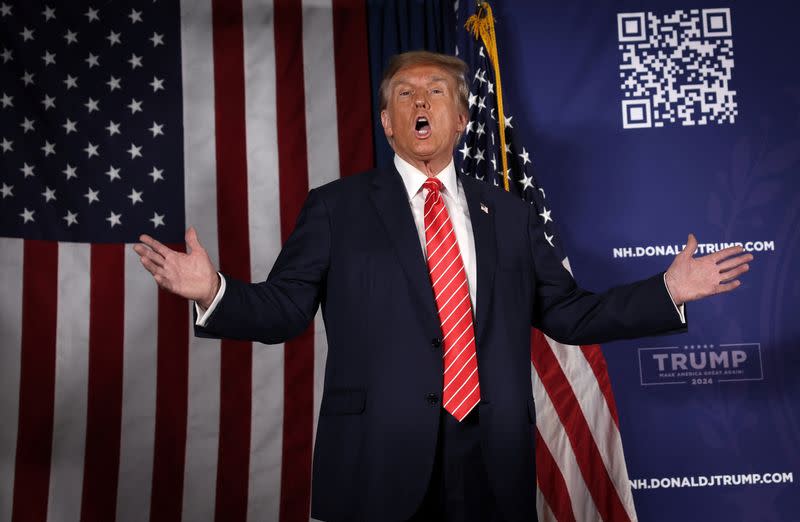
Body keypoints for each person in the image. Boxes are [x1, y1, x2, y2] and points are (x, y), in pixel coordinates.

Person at [134, 51, 752, 522]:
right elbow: (284, 309)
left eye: (434, 92)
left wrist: (666, 290)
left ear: (460, 118)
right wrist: (212, 288)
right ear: (386, 122)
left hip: (492, 465)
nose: (418, 102)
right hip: (378, 460)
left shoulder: (509, 216)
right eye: (403, 94)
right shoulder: (336, 209)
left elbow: (569, 315)